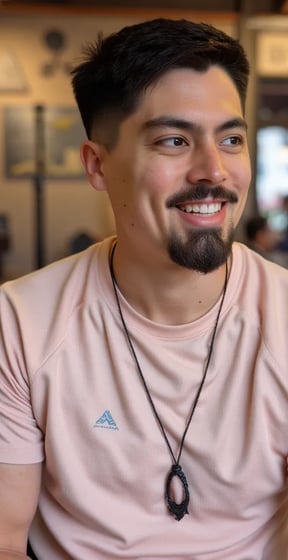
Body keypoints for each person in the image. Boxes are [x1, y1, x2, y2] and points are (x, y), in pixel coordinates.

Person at [0, 18, 288, 560]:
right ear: (98, 165)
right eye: (174, 140)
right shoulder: (20, 324)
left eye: (231, 139)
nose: (214, 171)